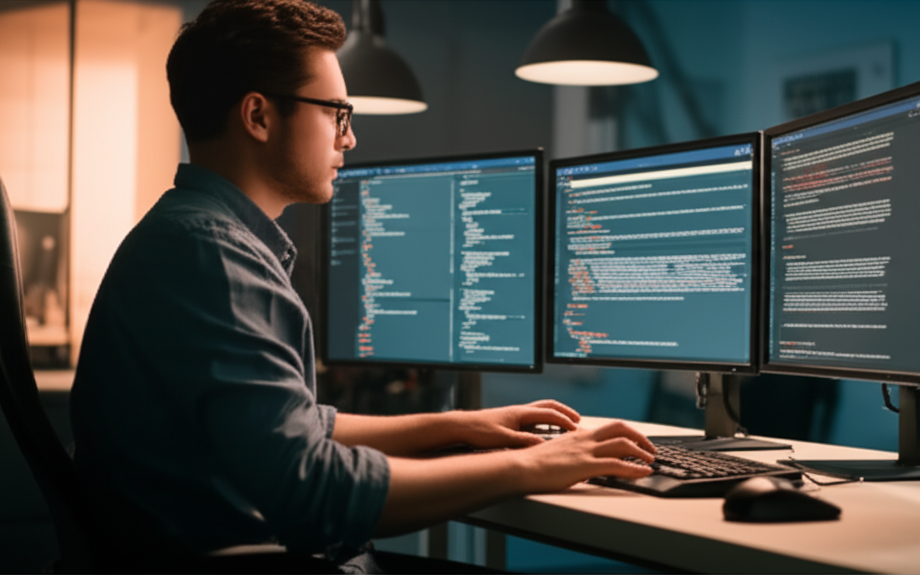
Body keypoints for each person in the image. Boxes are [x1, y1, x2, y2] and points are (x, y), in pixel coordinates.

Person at [69, 0, 655, 570]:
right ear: (258, 116)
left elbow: (297, 424)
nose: (349, 140)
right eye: (336, 114)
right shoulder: (213, 257)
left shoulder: (196, 236)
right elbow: (313, 491)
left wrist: (460, 426)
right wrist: (541, 464)